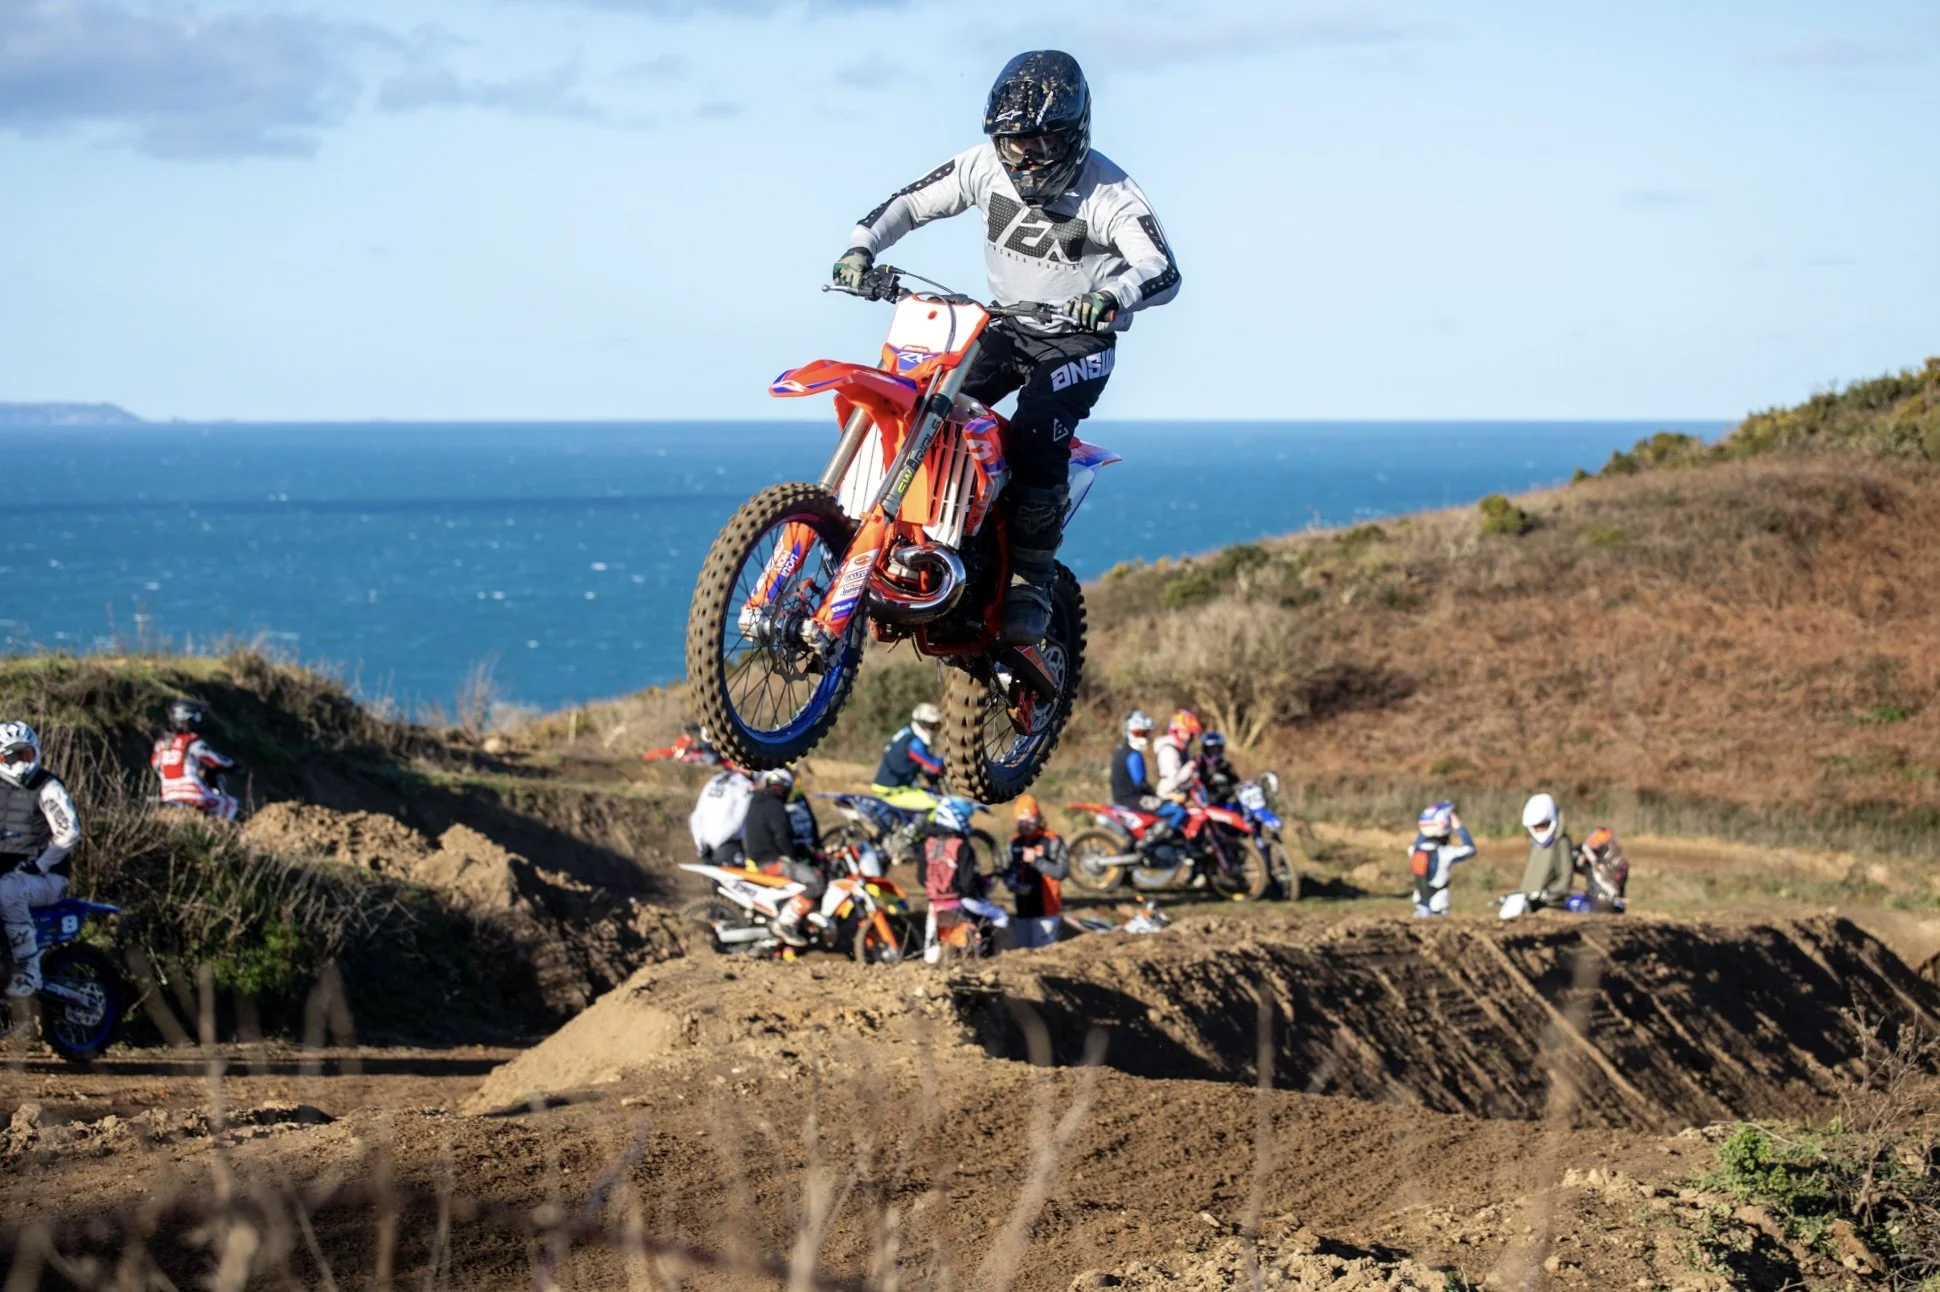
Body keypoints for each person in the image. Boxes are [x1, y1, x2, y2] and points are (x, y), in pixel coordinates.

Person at [833, 50, 1181, 644]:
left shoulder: (1111, 192)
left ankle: (1028, 581)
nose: (1024, 156)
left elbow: (1162, 270)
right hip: (1003, 323)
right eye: (1013, 142)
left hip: (1078, 337)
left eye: (1041, 142)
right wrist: (863, 246)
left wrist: (1113, 294)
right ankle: (915, 538)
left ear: (1074, 134)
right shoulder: (982, 167)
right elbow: (912, 202)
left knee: (1036, 433)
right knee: (926, 407)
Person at [0, 722, 81, 998]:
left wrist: (41, 864)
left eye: (26, 755)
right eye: (13, 756)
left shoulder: (47, 786)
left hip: (47, 878)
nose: (21, 763)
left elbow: (69, 831)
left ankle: (28, 971)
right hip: (11, 875)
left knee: (7, 889)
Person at [744, 768, 827, 948]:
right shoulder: (775, 806)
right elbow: (782, 837)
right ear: (785, 786)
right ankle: (786, 923)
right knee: (816, 881)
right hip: (772, 862)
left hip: (758, 860)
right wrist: (794, 856)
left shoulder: (755, 801)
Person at [921, 797, 1000, 962]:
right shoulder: (961, 846)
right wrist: (981, 885)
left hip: (934, 905)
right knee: (999, 919)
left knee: (932, 955)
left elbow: (921, 877)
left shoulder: (928, 843)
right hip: (959, 906)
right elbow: (967, 882)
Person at [149, 698, 240, 821]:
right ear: (187, 718)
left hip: (168, 794)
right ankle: (222, 832)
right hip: (193, 793)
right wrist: (232, 765)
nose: (199, 720)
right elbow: (215, 761)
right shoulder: (192, 741)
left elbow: (155, 763)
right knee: (230, 804)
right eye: (197, 717)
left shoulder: (161, 744)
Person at [1003, 794, 1067, 949]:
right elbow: (1006, 870)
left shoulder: (1052, 840)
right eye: (1022, 819)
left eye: (1031, 818)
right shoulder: (1013, 842)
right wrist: (1010, 882)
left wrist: (1037, 861)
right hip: (1021, 910)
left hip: (1046, 911)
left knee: (1043, 956)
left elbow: (1062, 872)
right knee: (1021, 956)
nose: (1026, 824)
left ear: (1038, 817)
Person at [1408, 800, 1476, 918]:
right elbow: (1471, 849)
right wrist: (1459, 827)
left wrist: (1427, 824)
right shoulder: (1446, 853)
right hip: (1438, 910)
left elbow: (1423, 835)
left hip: (1420, 909)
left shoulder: (1414, 851)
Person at [872, 703, 946, 811]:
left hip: (888, 787)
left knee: (927, 794)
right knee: (938, 805)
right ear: (921, 723)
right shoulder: (914, 743)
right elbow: (935, 766)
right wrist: (950, 759)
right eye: (930, 726)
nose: (933, 730)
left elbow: (906, 765)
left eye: (936, 726)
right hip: (893, 791)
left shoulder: (906, 734)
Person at [1515, 793, 1577, 911]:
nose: (1539, 830)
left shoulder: (1561, 842)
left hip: (1550, 905)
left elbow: (1566, 875)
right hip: (1529, 901)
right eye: (1536, 826)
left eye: (1543, 825)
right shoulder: (1534, 844)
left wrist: (1549, 894)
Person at [688, 764, 753, 865]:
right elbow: (736, 821)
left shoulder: (715, 780)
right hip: (727, 846)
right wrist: (714, 845)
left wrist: (701, 847)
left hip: (706, 845)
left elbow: (695, 816)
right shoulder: (745, 785)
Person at [1575, 827, 1629, 914]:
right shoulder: (1589, 860)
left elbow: (1618, 881)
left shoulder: (1619, 864)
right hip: (1592, 901)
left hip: (1610, 904)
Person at [1196, 731, 1240, 805]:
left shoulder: (1226, 765)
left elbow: (1236, 782)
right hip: (1205, 802)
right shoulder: (1198, 764)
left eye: (1216, 749)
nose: (1213, 753)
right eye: (1210, 749)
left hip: (1224, 801)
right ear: (1204, 749)